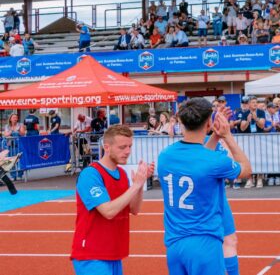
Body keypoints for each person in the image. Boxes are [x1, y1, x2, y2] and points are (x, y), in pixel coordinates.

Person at [158, 98, 252, 275]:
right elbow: (246, 170)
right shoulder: (214, 161)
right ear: (209, 122)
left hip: (174, 244)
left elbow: (198, 160)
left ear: (181, 122)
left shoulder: (165, 156)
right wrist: (227, 136)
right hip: (204, 242)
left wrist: (215, 135)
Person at [70, 125, 154, 275]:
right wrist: (135, 186)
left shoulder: (121, 173)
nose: (127, 151)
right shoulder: (91, 174)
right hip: (92, 254)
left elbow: (134, 210)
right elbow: (108, 211)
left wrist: (140, 185)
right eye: (122, 147)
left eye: (129, 146)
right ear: (107, 147)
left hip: (114, 253)